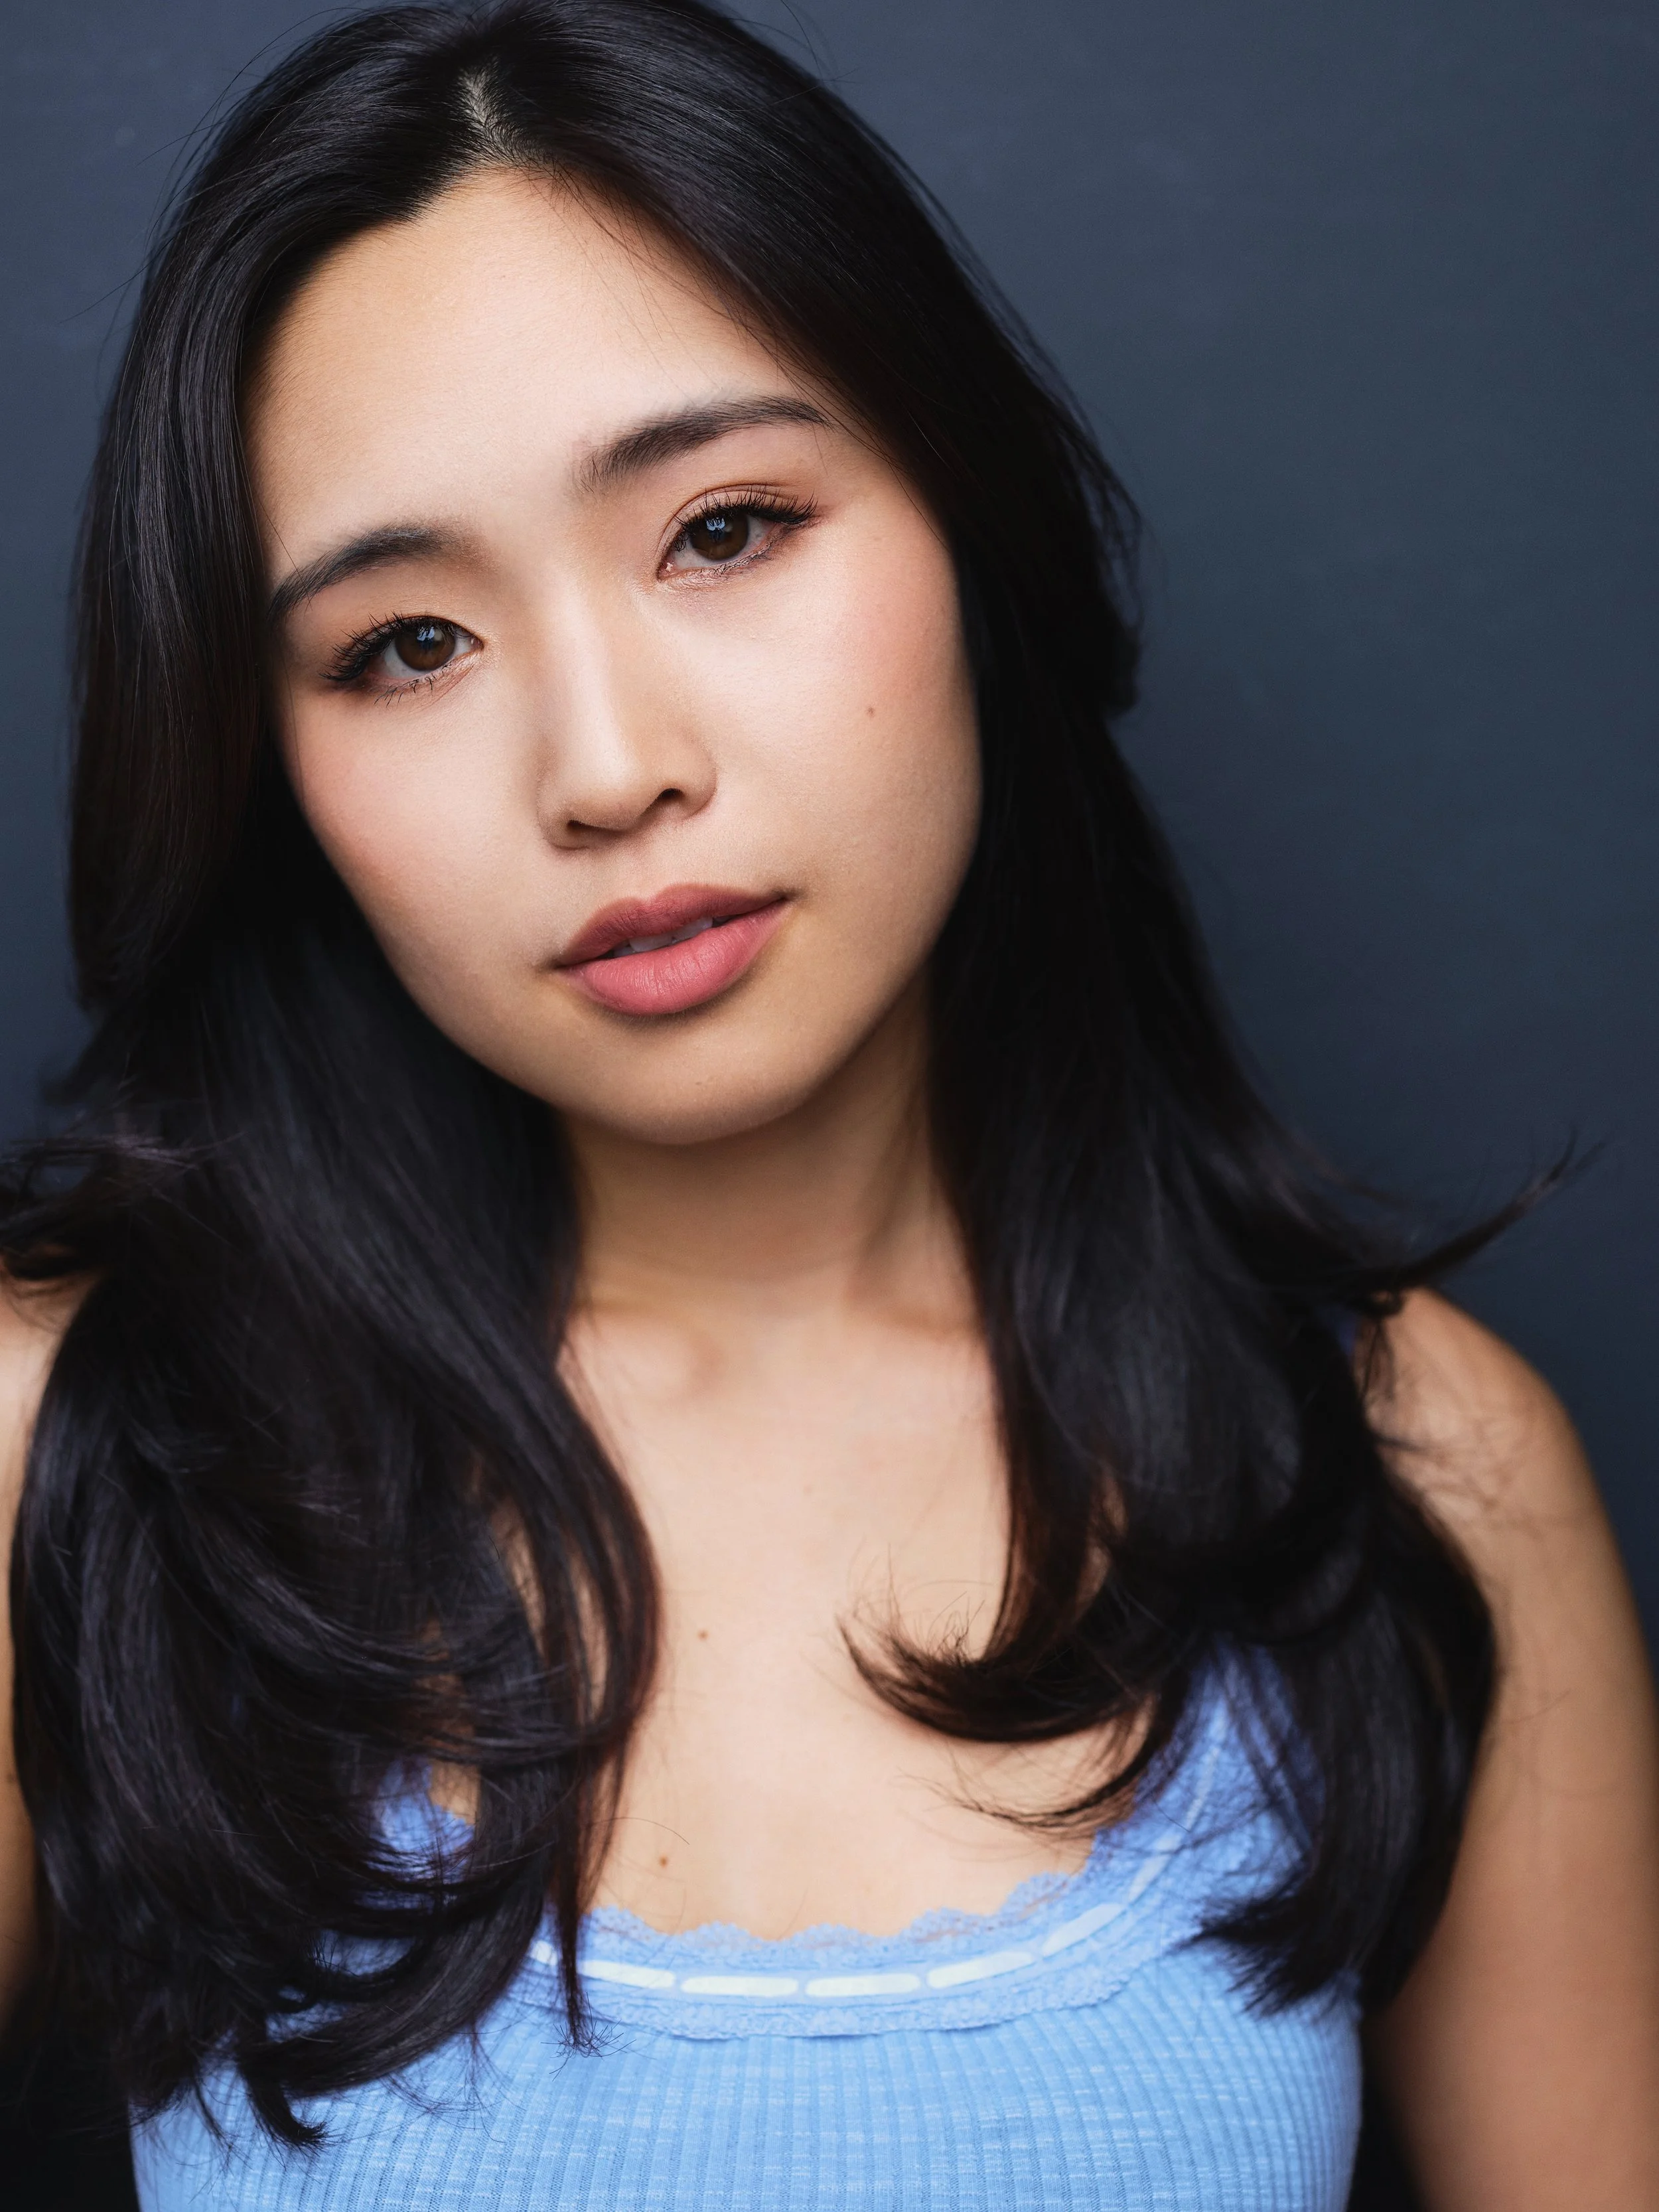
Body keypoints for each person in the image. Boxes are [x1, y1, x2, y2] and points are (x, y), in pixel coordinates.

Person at [1, 1, 1654, 2204]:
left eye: (725, 527)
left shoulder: (1410, 1476)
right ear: (265, 763)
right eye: (404, 644)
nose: (605, 766)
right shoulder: (63, 1445)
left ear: (962, 519)